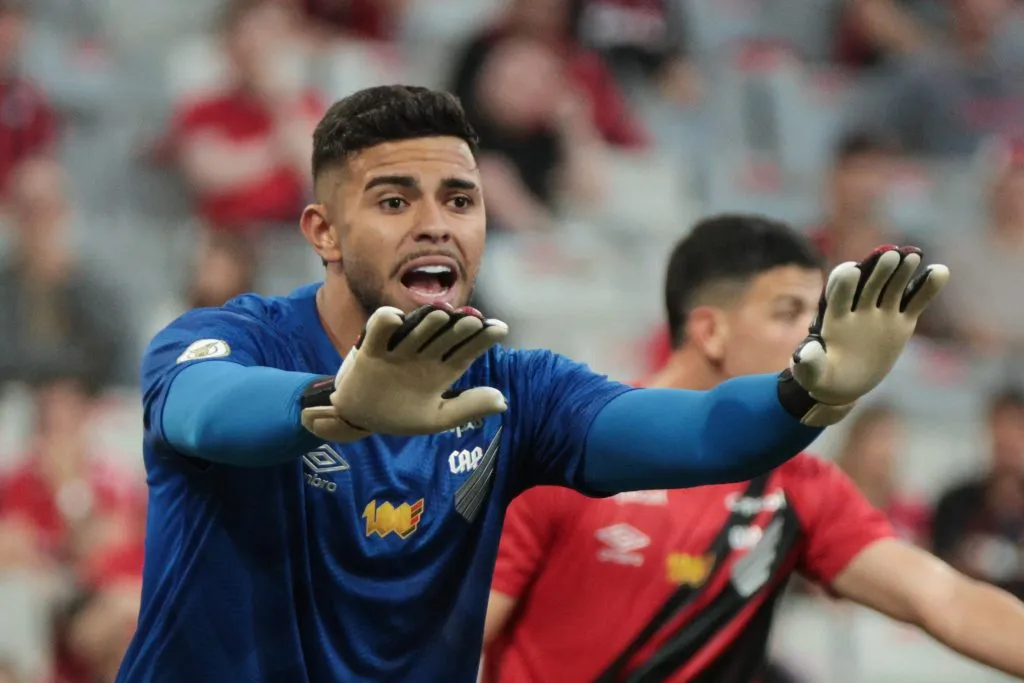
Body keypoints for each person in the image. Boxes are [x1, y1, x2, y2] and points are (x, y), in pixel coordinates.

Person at [117, 85, 947, 683]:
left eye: (460, 198)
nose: (436, 221)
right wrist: (335, 408)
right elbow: (205, 413)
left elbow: (700, 432)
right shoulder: (225, 340)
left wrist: (812, 394)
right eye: (395, 200)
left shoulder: (517, 391)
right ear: (324, 232)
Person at [482, 215, 1022, 683]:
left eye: (818, 318)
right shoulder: (566, 460)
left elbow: (948, 601)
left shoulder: (798, 485)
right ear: (710, 330)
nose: (818, 341)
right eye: (789, 314)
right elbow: (459, 635)